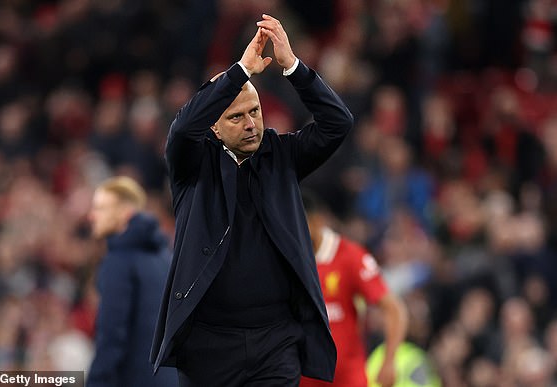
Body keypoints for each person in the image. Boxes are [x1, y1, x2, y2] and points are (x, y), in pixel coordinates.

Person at [151, 14, 354, 387]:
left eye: (255, 112)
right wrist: (240, 70)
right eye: (237, 117)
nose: (251, 124)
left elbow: (337, 123)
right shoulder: (193, 165)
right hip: (208, 347)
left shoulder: (282, 154)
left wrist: (292, 67)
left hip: (275, 343)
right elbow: (181, 129)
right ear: (214, 125)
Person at [300, 190, 408, 387]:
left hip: (347, 379)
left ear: (317, 221)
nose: (294, 230)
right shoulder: (289, 257)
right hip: (303, 378)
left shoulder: (350, 256)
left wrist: (389, 360)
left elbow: (394, 309)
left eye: (299, 223)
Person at [87, 176, 178, 387]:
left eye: (101, 208)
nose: (92, 216)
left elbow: (111, 336)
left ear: (124, 213)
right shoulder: (166, 257)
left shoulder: (119, 262)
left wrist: (96, 381)